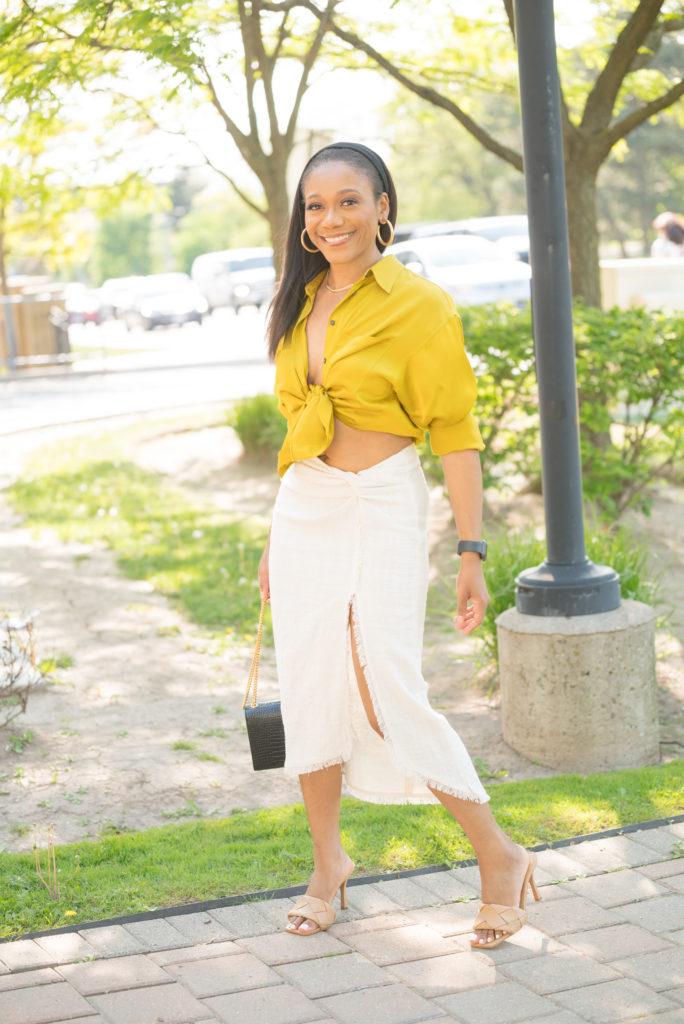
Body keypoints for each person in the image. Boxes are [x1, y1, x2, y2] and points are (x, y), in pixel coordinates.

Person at [258, 141, 539, 949]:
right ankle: (327, 865)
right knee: (310, 682)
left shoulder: (420, 304)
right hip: (305, 504)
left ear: (384, 204)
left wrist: (471, 551)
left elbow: (455, 433)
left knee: (386, 685)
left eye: (349, 201)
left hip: (382, 500)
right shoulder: (297, 298)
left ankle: (499, 854)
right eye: (315, 206)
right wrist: (276, 537)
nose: (330, 219)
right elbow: (296, 430)